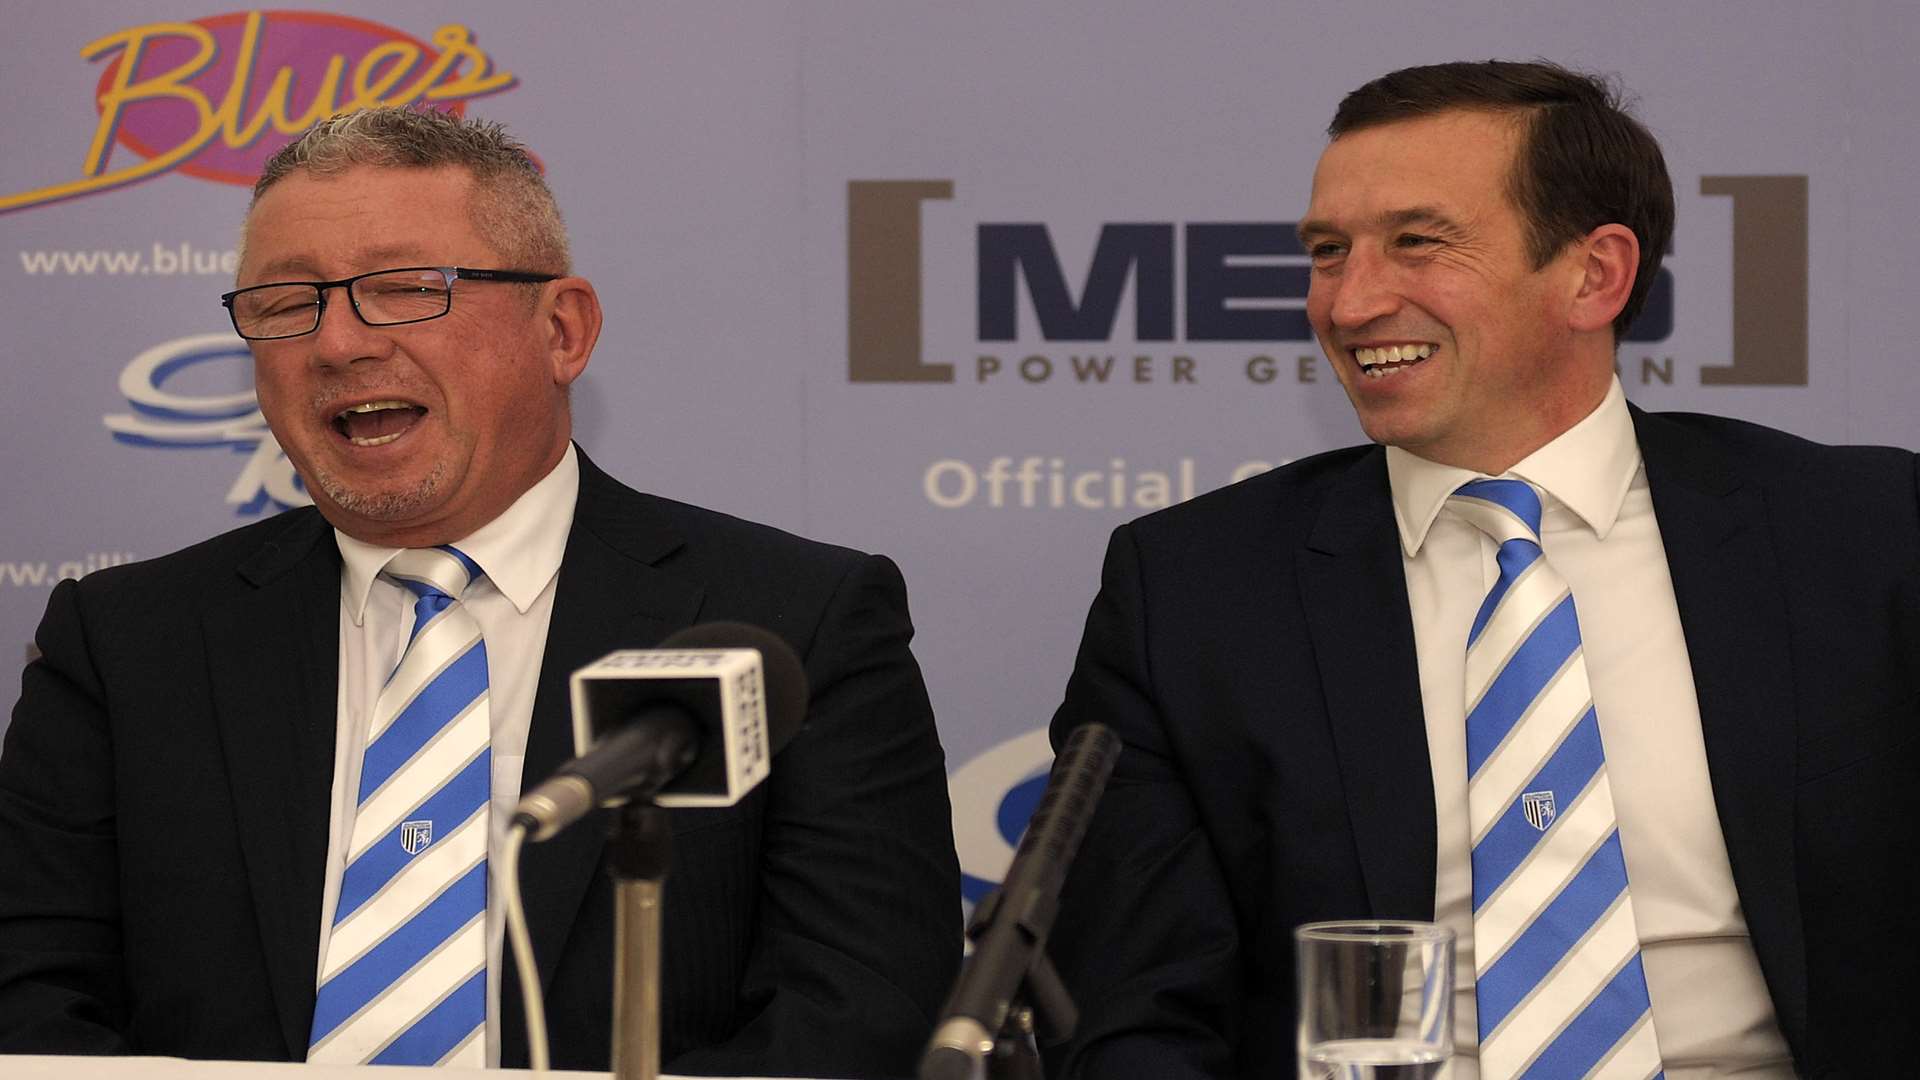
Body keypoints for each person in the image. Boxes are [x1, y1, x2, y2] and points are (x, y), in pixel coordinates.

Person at [0, 107, 960, 1076]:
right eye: (286, 304)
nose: (335, 345)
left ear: (562, 330)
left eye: (404, 289)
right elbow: (30, 1003)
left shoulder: (793, 622)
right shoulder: (128, 646)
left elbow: (854, 1021)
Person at [1045, 60, 1917, 1078]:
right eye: (1329, 252)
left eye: (1418, 243)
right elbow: (1131, 1011)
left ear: (1595, 274)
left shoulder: (1869, 538)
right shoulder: (1194, 590)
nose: (1352, 300)